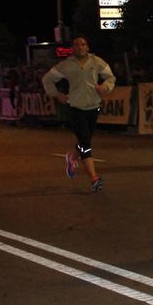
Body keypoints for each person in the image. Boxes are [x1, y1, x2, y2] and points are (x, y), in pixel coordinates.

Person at [42, 35, 116, 192]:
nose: (80, 47)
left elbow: (110, 77)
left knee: (85, 140)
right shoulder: (66, 65)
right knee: (86, 144)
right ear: (72, 48)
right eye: (76, 45)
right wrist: (56, 94)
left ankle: (72, 157)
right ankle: (94, 179)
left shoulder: (97, 62)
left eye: (83, 44)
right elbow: (47, 79)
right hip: (76, 108)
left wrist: (105, 87)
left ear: (87, 47)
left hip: (93, 106)